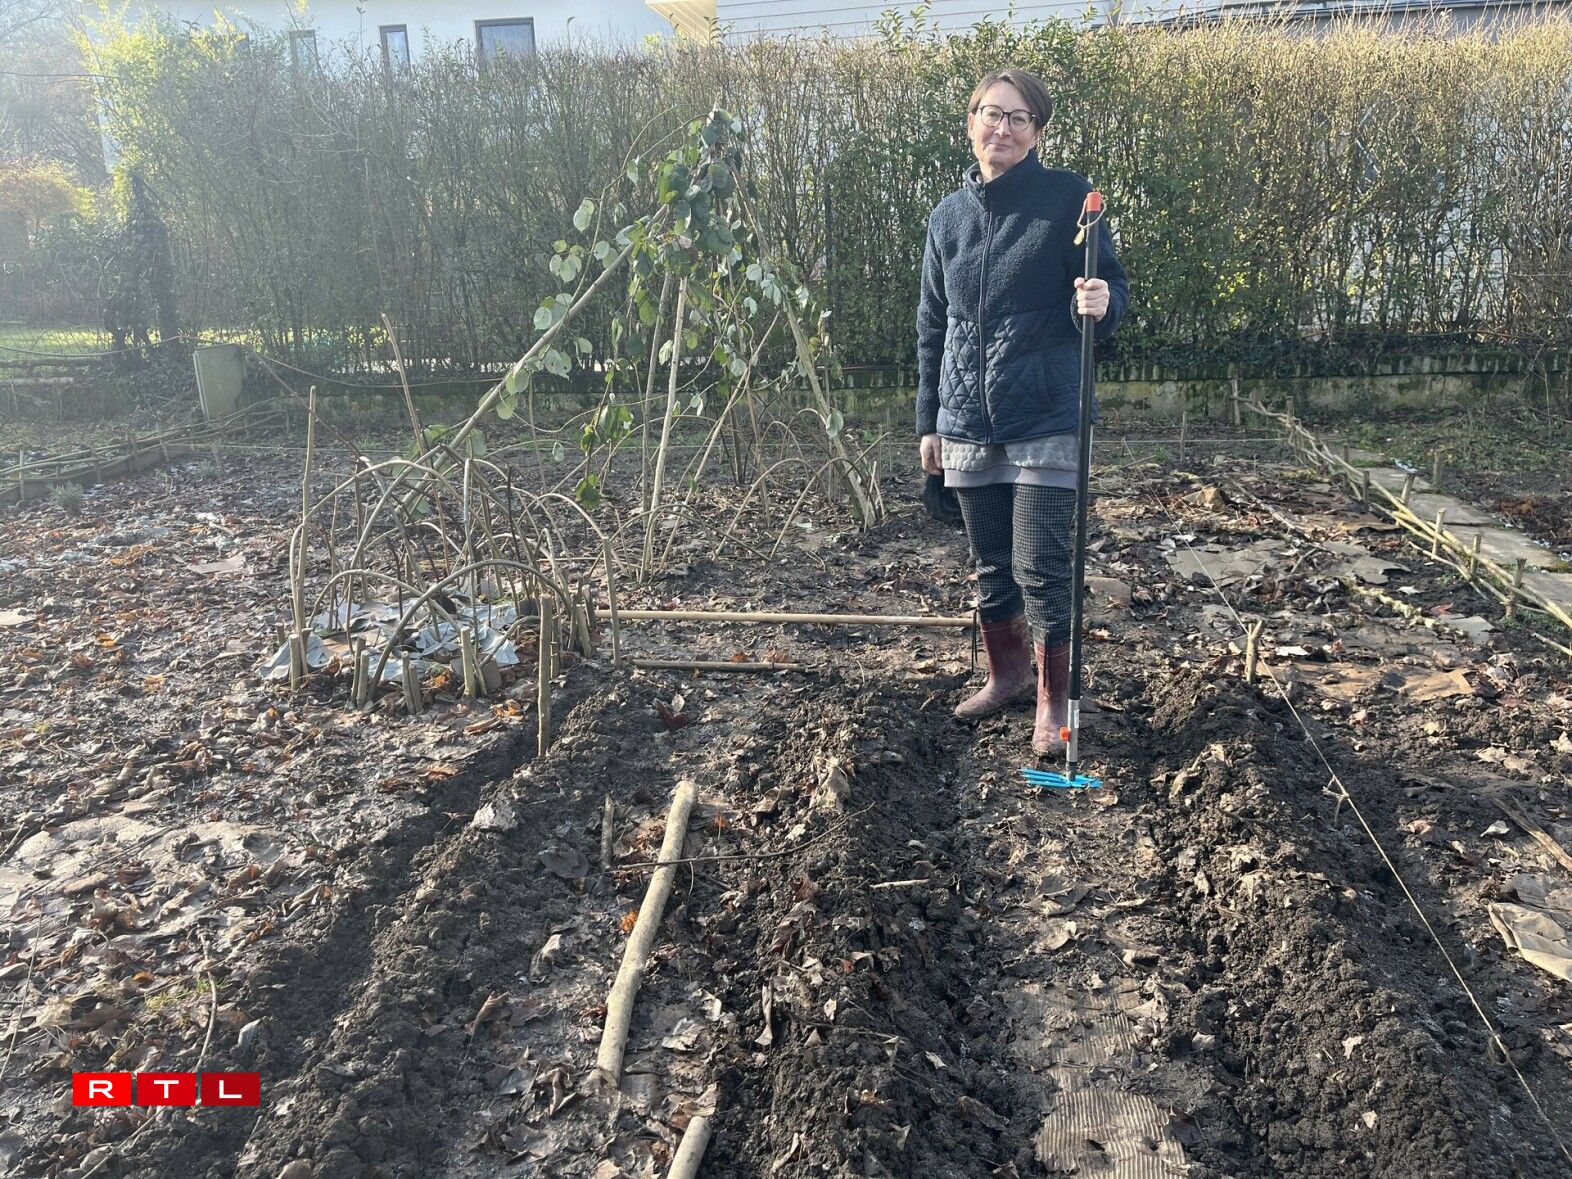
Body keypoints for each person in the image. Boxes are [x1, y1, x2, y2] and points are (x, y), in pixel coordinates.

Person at [915, 66, 1129, 756]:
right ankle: (1006, 675)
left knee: (1043, 567)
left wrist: (1100, 303)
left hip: (1044, 416)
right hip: (967, 421)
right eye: (991, 113)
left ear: (1036, 132)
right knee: (991, 566)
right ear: (970, 121)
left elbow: (1107, 289)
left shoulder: (1068, 199)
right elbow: (931, 325)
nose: (1001, 128)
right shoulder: (946, 217)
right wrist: (929, 421)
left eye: (1017, 119)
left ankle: (1053, 700)